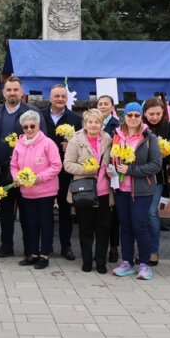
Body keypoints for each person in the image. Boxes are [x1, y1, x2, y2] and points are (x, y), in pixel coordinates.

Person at [107, 102, 163, 280]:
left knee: (140, 225)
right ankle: (127, 262)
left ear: (141, 117)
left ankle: (145, 264)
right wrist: (112, 169)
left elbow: (156, 165)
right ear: (124, 116)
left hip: (142, 190)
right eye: (129, 115)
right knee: (126, 226)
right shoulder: (116, 135)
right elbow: (112, 158)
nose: (133, 119)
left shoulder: (149, 137)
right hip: (121, 188)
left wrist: (131, 171)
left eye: (136, 115)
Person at [0, 76, 37, 258]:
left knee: (26, 212)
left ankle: (29, 248)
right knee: (6, 211)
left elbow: (42, 140)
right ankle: (6, 246)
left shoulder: (33, 113)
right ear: (3, 92)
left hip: (25, 173)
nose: (12, 93)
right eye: (9, 90)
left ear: (21, 92)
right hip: (1, 171)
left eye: (16, 90)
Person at [63, 109, 113, 273]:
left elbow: (112, 161)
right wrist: (87, 169)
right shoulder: (75, 140)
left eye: (97, 122)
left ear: (101, 123)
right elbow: (68, 164)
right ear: (85, 123)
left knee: (103, 228)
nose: (93, 125)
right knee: (85, 228)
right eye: (90, 122)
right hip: (84, 190)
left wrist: (112, 169)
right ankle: (86, 261)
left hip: (104, 191)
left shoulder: (107, 139)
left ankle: (100, 262)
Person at [12, 110, 63, 270]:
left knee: (45, 223)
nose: (29, 129)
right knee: (30, 223)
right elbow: (13, 165)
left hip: (45, 191)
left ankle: (44, 254)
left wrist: (39, 177)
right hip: (27, 192)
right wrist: (16, 177)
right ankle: (33, 253)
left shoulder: (48, 143)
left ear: (38, 126)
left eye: (32, 126)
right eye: (25, 127)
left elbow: (56, 165)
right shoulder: (19, 145)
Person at [39, 84, 82, 261]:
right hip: (44, 169)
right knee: (45, 210)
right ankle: (46, 247)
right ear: (50, 98)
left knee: (65, 209)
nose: (59, 99)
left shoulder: (74, 118)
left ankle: (66, 246)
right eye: (56, 96)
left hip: (65, 170)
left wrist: (71, 146)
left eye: (63, 96)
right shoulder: (40, 115)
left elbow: (81, 141)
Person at [143, 97, 170, 265]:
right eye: (151, 114)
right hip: (138, 175)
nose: (154, 117)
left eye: (158, 113)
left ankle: (153, 251)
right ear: (145, 113)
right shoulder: (140, 126)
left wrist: (164, 153)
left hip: (157, 176)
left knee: (151, 212)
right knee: (139, 214)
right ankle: (142, 250)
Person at [97, 94, 120, 262]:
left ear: (113, 107)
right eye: (100, 104)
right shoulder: (92, 123)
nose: (103, 106)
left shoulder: (117, 126)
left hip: (114, 174)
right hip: (97, 175)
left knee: (113, 214)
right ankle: (99, 248)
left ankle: (113, 246)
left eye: (106, 104)